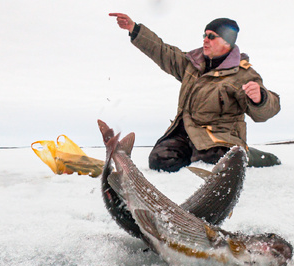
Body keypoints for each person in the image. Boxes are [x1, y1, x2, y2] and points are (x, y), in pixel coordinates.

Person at [109, 13, 281, 172]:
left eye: (212, 36)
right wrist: (134, 29)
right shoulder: (192, 64)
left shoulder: (243, 75)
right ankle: (191, 157)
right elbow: (163, 52)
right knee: (159, 161)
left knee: (212, 162)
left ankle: (255, 157)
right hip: (185, 133)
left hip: (220, 138)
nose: (205, 40)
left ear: (227, 42)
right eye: (204, 35)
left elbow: (267, 111)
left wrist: (260, 99)